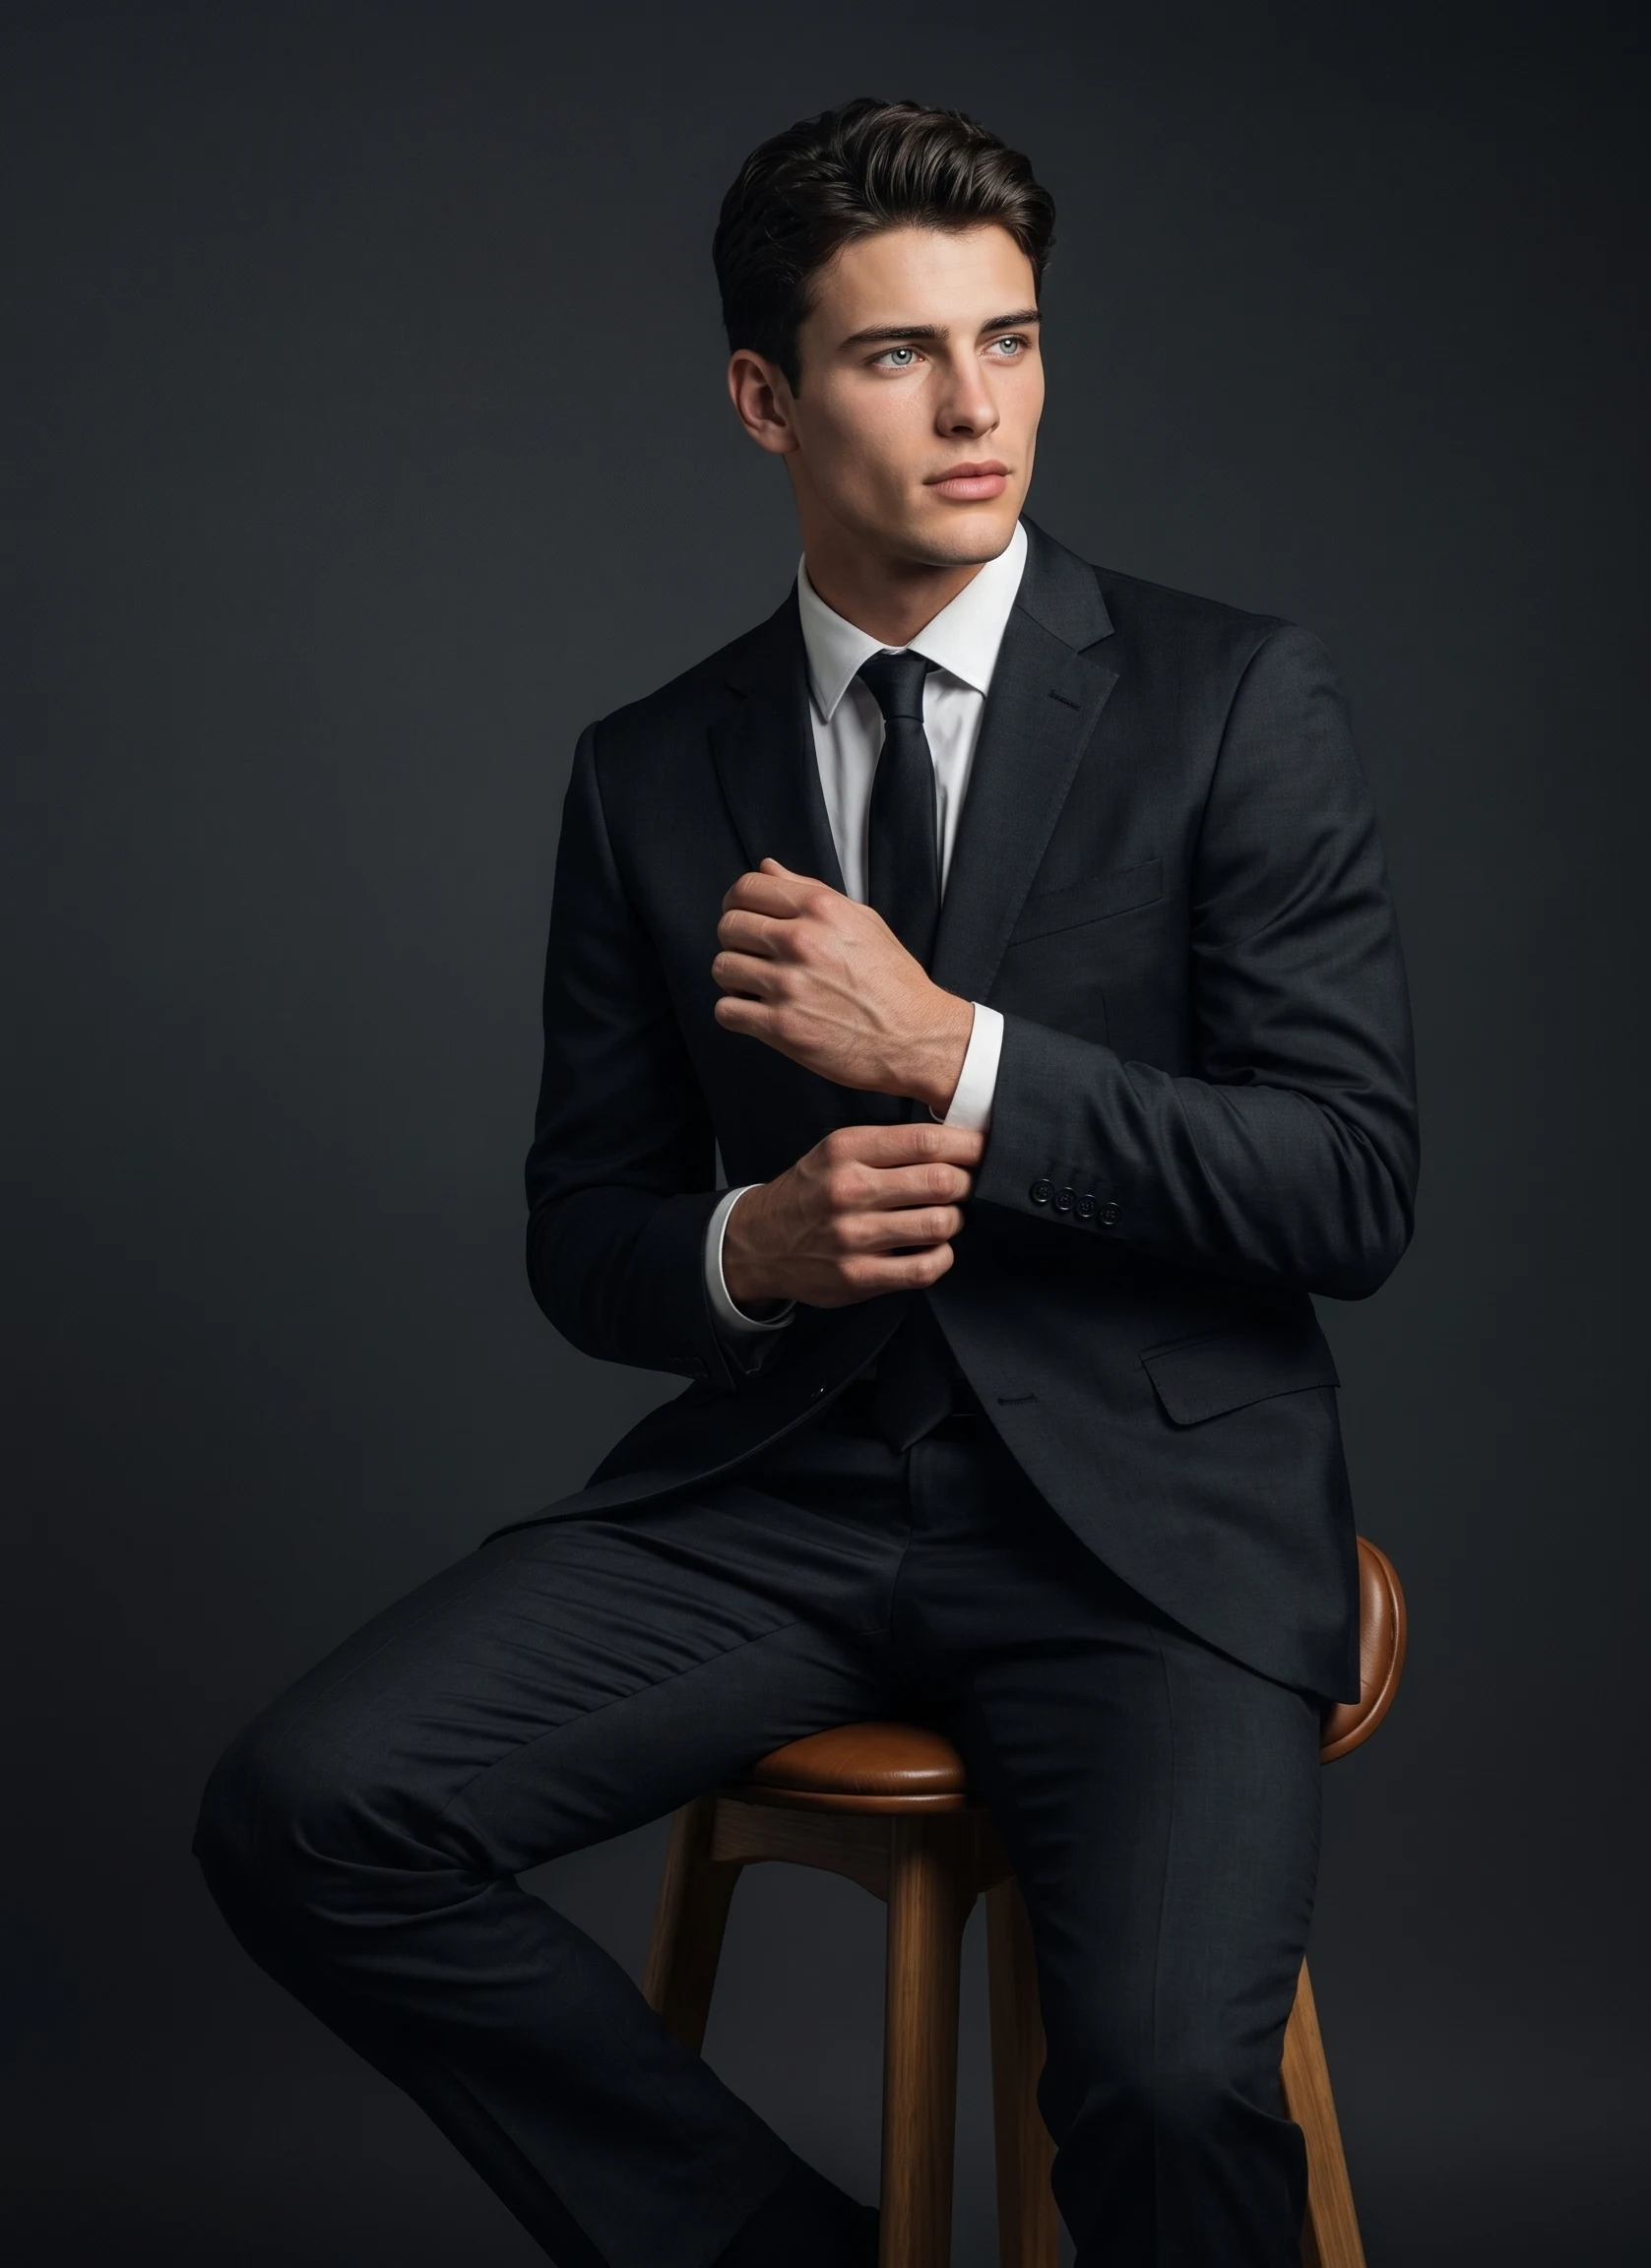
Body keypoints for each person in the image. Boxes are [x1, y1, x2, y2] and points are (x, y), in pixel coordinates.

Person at [195, 94, 1418, 2268]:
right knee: (307, 1820)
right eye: (895, 356)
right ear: (764, 397)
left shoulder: (1232, 703)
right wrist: (740, 1254)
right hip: (786, 1508)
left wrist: (955, 1059)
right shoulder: (649, 770)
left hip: (1144, 1532)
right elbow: (586, 1230)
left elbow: (1346, 1188)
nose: (975, 411)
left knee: (1155, 2084)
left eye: (1012, 341)